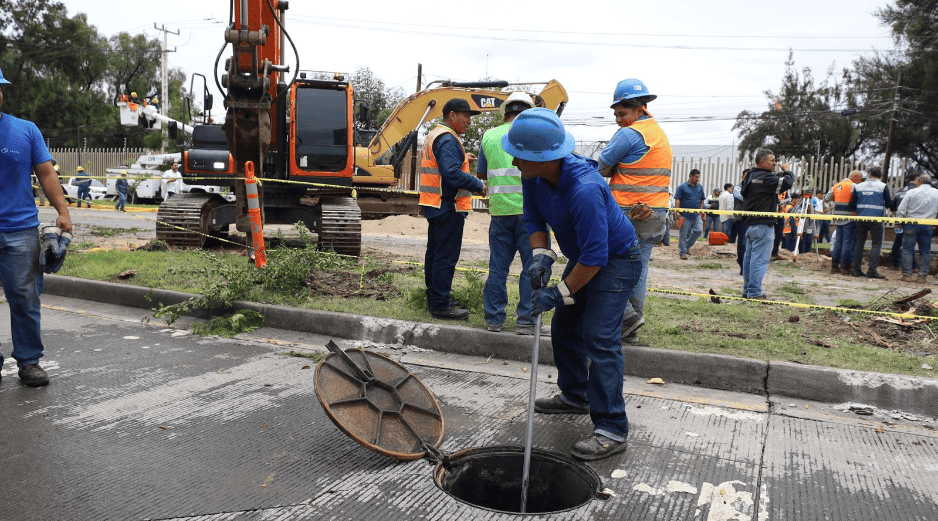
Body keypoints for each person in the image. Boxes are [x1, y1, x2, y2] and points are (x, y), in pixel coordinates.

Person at [503, 108, 645, 461]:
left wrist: (559, 292)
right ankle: (576, 395)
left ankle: (612, 428)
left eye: (519, 154)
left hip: (616, 261)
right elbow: (534, 218)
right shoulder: (533, 176)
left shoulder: (584, 188)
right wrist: (540, 257)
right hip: (586, 259)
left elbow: (597, 257)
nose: (513, 160)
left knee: (599, 337)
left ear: (541, 156)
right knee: (565, 325)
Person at [0, 67, 73, 386]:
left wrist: (63, 210)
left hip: (20, 230)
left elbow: (46, 174)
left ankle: (29, 361)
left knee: (25, 297)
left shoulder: (25, 130)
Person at [597, 78, 672, 344]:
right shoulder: (658, 133)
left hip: (628, 211)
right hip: (656, 213)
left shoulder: (630, 134)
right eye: (616, 115)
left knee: (602, 264)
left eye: (623, 113)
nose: (619, 119)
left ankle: (625, 318)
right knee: (638, 270)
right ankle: (631, 330)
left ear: (640, 108)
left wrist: (617, 167)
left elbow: (602, 168)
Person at [477, 92, 540, 334]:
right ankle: (526, 321)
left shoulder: (489, 136)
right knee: (532, 268)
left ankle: (494, 319)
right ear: (528, 113)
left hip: (500, 212)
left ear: (505, 113)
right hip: (530, 213)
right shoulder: (532, 134)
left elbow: (481, 173)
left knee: (498, 269)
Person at [418, 98, 485, 320]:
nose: (469, 122)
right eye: (466, 116)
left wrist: (462, 157)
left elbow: (442, 166)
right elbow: (451, 173)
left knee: (435, 255)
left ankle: (436, 297)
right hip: (448, 207)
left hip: (435, 204)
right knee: (445, 257)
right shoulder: (448, 139)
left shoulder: (436, 134)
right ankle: (440, 305)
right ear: (453, 115)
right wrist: (478, 185)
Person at [740, 149, 794, 299]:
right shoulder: (765, 178)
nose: (775, 163)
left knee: (749, 259)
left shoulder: (750, 176)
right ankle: (755, 292)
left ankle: (747, 290)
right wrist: (787, 171)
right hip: (763, 226)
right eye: (772, 160)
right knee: (759, 260)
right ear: (762, 162)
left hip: (751, 226)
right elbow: (787, 183)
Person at [848, 166, 892, 279]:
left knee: (859, 243)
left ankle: (856, 270)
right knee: (876, 244)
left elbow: (852, 204)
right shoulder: (883, 186)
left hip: (861, 219)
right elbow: (889, 204)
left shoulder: (858, 186)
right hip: (876, 220)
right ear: (880, 176)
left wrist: (856, 215)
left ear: (869, 175)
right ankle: (872, 271)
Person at [897, 173, 938, 284]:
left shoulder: (911, 192)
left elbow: (901, 209)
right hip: (928, 224)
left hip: (911, 223)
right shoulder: (937, 193)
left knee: (907, 250)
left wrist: (899, 222)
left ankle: (907, 275)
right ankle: (922, 277)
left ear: (919, 182)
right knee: (925, 251)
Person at [826, 170, 862, 274]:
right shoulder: (853, 186)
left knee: (838, 242)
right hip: (849, 217)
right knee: (847, 243)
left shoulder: (836, 185)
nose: (860, 181)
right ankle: (846, 266)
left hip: (838, 217)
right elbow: (857, 198)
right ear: (854, 177)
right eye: (859, 179)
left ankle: (834, 265)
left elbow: (827, 198)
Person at [673, 169, 706, 260]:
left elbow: (702, 199)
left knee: (699, 231)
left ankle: (687, 246)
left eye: (698, 177)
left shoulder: (700, 187)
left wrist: (701, 210)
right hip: (685, 215)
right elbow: (678, 199)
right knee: (683, 234)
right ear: (690, 176)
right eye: (696, 177)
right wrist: (677, 212)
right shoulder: (682, 187)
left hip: (696, 215)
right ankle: (682, 253)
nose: (697, 179)